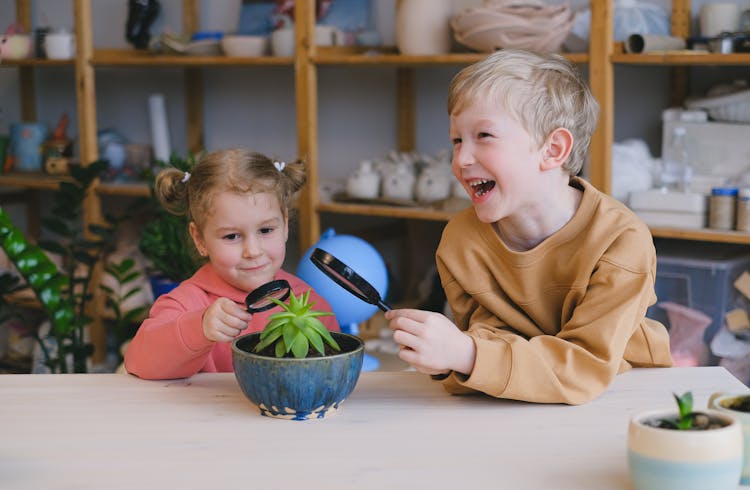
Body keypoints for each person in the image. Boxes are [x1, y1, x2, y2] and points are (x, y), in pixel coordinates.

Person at [385, 49, 673, 405]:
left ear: (552, 150)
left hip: (628, 392)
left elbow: (584, 367)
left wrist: (465, 354)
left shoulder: (620, 240)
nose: (461, 159)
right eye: (457, 140)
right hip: (518, 398)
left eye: (484, 136)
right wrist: (446, 356)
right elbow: (487, 349)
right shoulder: (461, 241)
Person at [125, 149, 340, 379]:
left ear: (285, 225)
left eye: (266, 230)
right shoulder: (187, 303)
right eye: (231, 236)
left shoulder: (309, 303)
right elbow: (139, 362)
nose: (253, 251)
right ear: (200, 240)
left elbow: (333, 373)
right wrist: (199, 329)